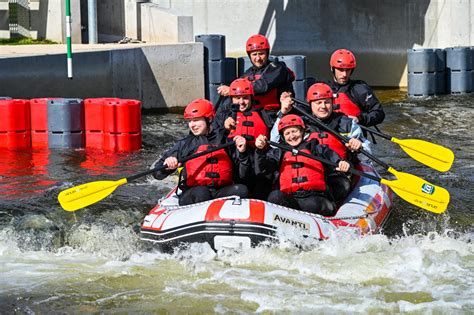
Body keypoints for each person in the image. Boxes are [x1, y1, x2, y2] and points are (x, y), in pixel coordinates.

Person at [279, 83, 367, 202]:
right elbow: (277, 141)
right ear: (310, 104)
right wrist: (283, 112)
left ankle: (330, 208)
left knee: (340, 184)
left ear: (332, 103)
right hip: (310, 172)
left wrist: (358, 145)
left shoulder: (346, 123)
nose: (323, 106)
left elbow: (367, 151)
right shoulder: (301, 123)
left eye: (327, 102)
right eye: (318, 103)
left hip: (337, 172)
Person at [153, 98, 250, 206]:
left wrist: (243, 153)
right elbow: (157, 174)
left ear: (209, 119)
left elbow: (243, 175)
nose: (192, 125)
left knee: (241, 190)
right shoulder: (185, 144)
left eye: (196, 120)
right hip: (193, 193)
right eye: (190, 121)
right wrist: (167, 166)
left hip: (219, 192)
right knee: (202, 193)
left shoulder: (225, 140)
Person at [254, 114, 351, 216]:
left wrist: (342, 164)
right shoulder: (279, 152)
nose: (292, 136)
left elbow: (335, 160)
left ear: (302, 131)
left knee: (314, 204)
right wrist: (260, 151)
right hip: (291, 200)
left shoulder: (316, 147)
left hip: (315, 198)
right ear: (283, 137)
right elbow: (261, 170)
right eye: (287, 133)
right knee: (275, 196)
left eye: (294, 131)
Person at [216, 34, 295, 125]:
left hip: (276, 117)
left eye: (261, 54)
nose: (258, 58)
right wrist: (227, 118)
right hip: (254, 117)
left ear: (267, 53)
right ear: (249, 56)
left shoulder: (278, 68)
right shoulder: (247, 74)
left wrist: (231, 90)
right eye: (254, 54)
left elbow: (263, 86)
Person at [221, 78, 273, 199]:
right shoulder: (225, 116)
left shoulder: (262, 114)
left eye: (245, 98)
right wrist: (224, 129)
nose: (241, 102)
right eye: (237, 98)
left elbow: (275, 136)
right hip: (236, 166)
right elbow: (213, 139)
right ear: (231, 99)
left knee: (262, 186)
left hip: (258, 163)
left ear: (251, 98)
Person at [327, 48, 385, 128]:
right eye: (340, 70)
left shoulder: (359, 89)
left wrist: (360, 119)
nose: (344, 74)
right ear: (332, 68)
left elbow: (379, 113)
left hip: (354, 136)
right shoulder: (324, 88)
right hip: (330, 135)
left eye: (348, 70)